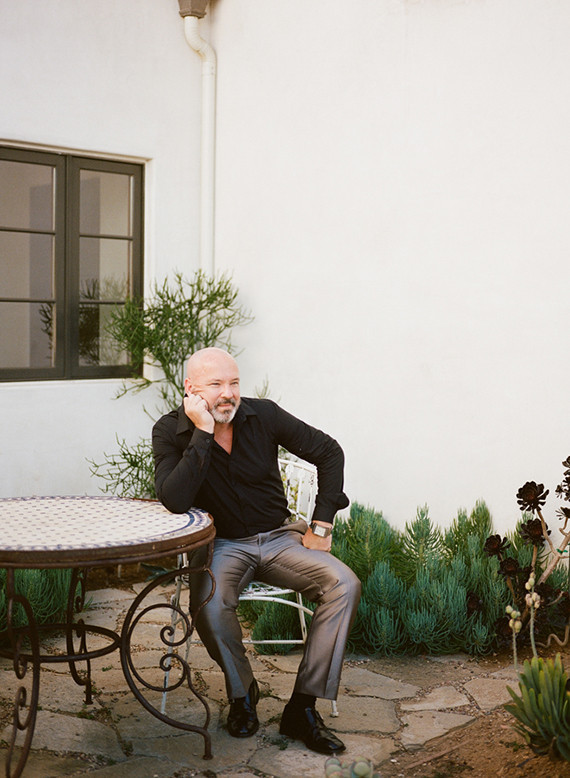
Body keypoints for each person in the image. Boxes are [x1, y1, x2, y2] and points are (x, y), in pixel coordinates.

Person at [152, 347, 360, 755]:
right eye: (216, 385)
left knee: (345, 584)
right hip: (222, 545)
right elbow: (174, 499)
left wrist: (321, 523)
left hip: (280, 539)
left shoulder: (263, 415)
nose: (228, 394)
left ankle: (302, 707)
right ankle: (242, 693)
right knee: (210, 604)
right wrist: (203, 433)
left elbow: (329, 452)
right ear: (190, 390)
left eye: (234, 383)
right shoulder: (169, 431)